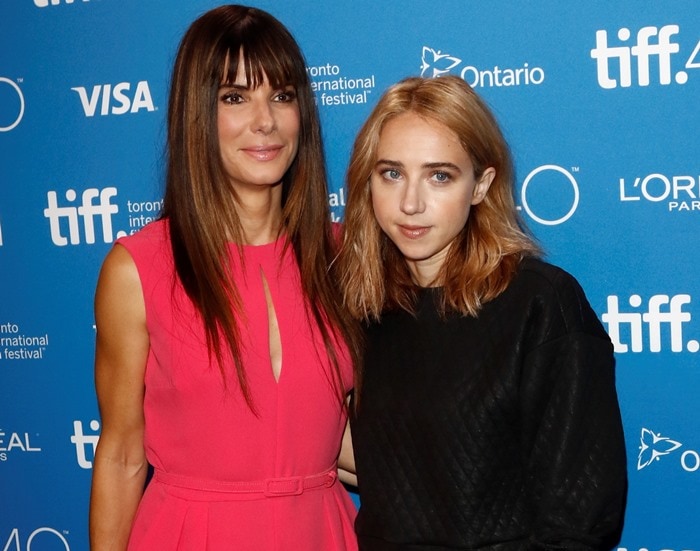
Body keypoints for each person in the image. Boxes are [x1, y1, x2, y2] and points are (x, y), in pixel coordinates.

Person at [89, 5, 361, 550]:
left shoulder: (344, 256)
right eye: (235, 97)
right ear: (196, 112)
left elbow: (350, 437)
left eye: (282, 96)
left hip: (321, 533)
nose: (266, 121)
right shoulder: (139, 269)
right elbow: (121, 455)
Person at [337, 75, 627, 550]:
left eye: (439, 175)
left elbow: (579, 523)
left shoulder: (540, 304)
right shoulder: (360, 305)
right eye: (391, 173)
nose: (410, 202)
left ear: (481, 185)